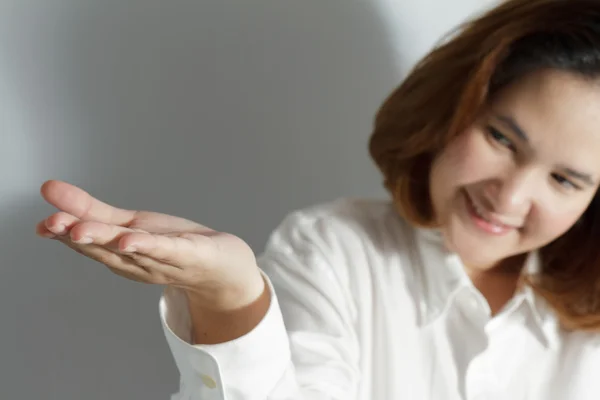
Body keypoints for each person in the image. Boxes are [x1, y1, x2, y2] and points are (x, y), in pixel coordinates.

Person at [36, 0, 600, 399]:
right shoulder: (336, 249)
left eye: (566, 180)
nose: (510, 196)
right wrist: (230, 299)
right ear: (455, 105)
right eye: (501, 138)